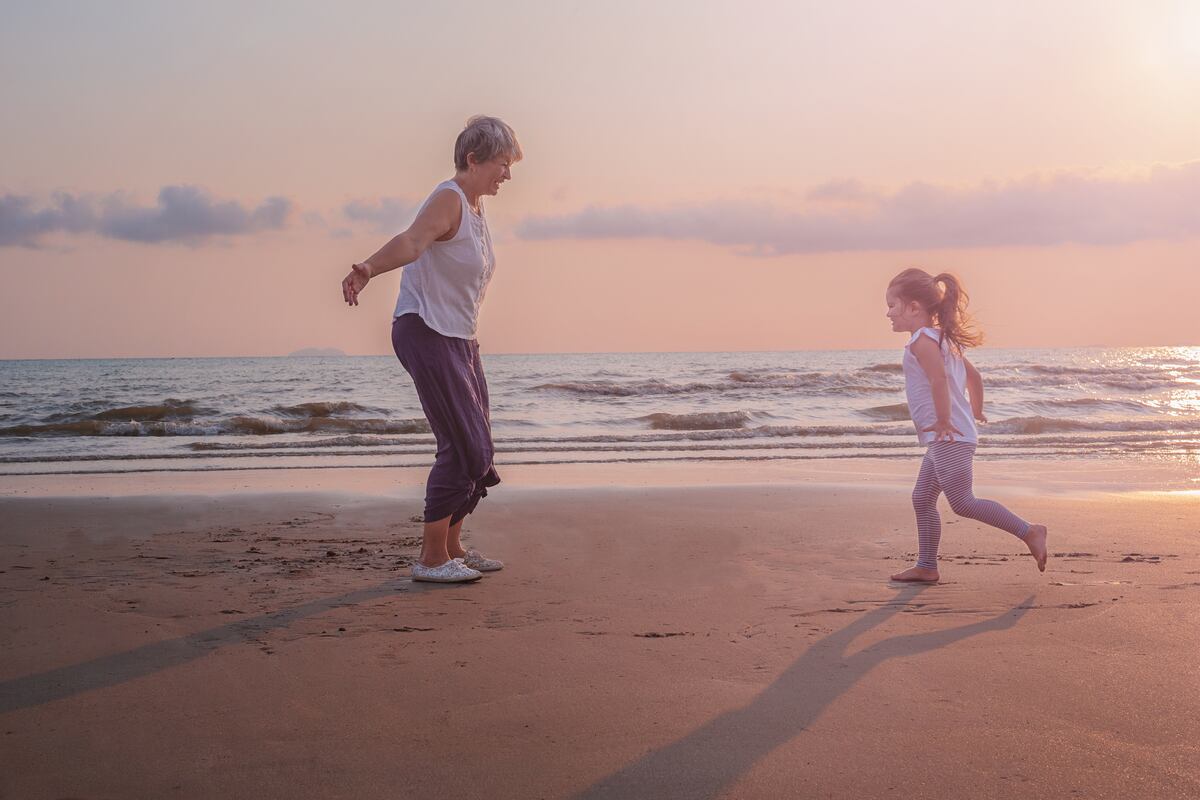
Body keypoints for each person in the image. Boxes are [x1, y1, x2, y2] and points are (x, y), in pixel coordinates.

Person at [341, 115, 522, 583]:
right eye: (502, 164)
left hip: (459, 336)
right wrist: (368, 268)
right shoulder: (449, 199)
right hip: (425, 329)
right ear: (473, 159)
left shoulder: (476, 209)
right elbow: (413, 241)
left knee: (477, 446)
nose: (508, 174)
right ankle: (432, 558)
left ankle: (453, 548)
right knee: (461, 446)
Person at [884, 268, 1048, 582]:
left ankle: (1030, 531)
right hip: (949, 436)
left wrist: (945, 420)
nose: (888, 312)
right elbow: (974, 377)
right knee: (922, 499)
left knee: (962, 502)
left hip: (948, 436)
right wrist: (975, 410)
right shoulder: (943, 340)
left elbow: (938, 379)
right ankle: (927, 566)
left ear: (914, 307)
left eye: (893, 305)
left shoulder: (922, 341)